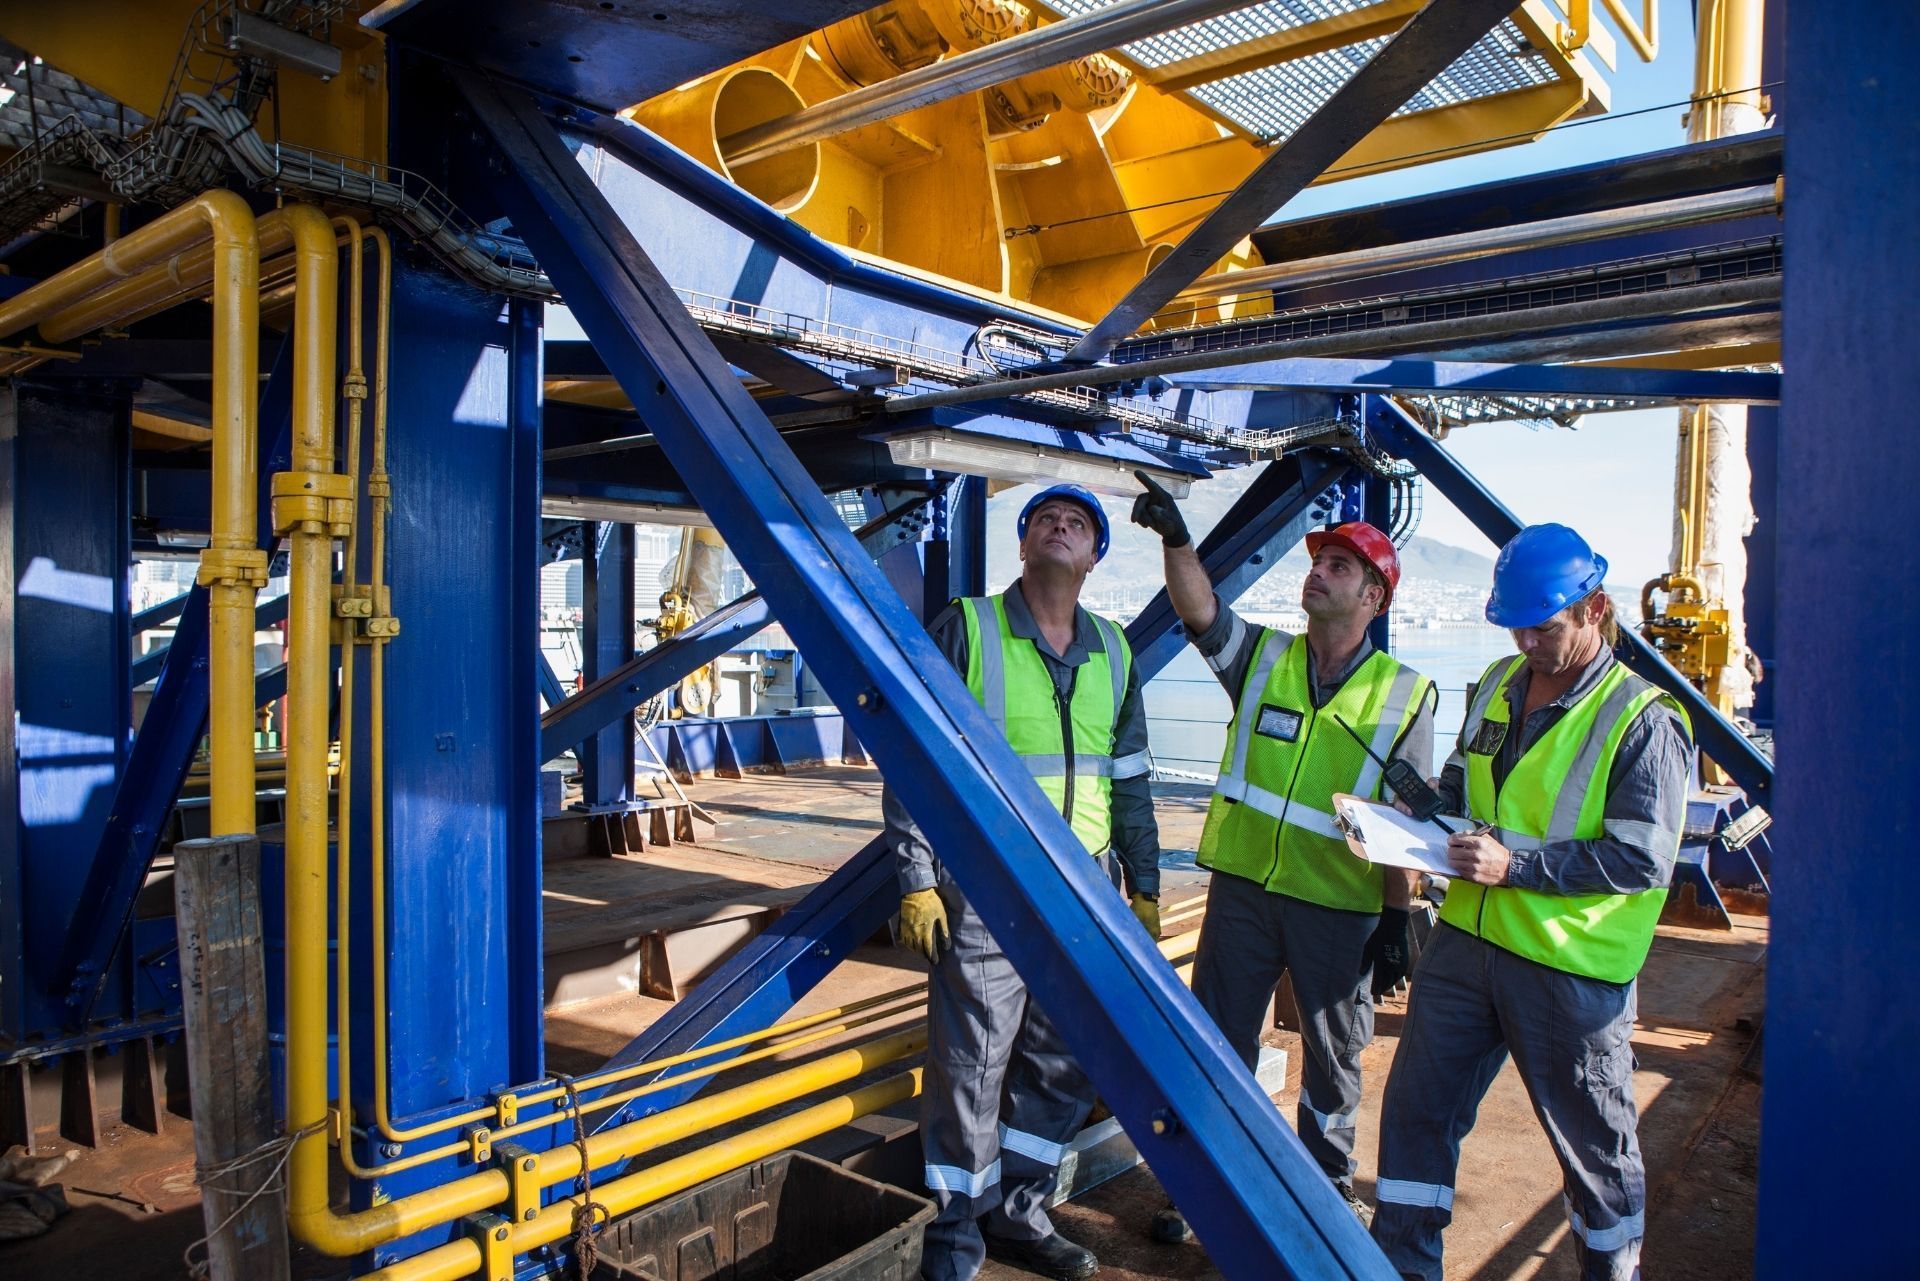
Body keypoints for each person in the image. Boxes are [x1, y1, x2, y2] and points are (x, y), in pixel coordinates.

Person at [1371, 523, 1692, 1281]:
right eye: (1515, 627)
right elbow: (1462, 782)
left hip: (1567, 969)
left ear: (1597, 610)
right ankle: (1403, 1269)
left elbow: (1642, 856)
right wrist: (1414, 812)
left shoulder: (1642, 719)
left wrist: (1516, 867)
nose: (1528, 644)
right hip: (1465, 947)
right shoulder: (1495, 684)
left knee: (1594, 1150)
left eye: (1545, 628)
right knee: (1417, 1114)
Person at [1130, 472, 1436, 1239]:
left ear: (1374, 596)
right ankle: (1201, 1188)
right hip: (1243, 891)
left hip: (1340, 905)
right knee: (1218, 1046)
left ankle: (1323, 1196)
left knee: (1335, 1062)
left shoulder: (1405, 694)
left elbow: (1406, 820)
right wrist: (1177, 539)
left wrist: (1398, 917)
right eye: (1317, 561)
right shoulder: (1263, 657)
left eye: (1338, 566)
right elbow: (1199, 610)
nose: (1317, 572)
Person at [884, 483, 1163, 1281]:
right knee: (970, 1069)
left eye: (1079, 523)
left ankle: (1020, 1211)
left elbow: (1132, 776)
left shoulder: (1114, 649)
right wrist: (914, 876)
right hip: (985, 890)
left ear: (1095, 556)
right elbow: (913, 753)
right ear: (1024, 543)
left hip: (1084, 896)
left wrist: (1141, 883)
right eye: (1046, 518)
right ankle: (953, 1238)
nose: (1062, 527)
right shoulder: (968, 628)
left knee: (1062, 1062)